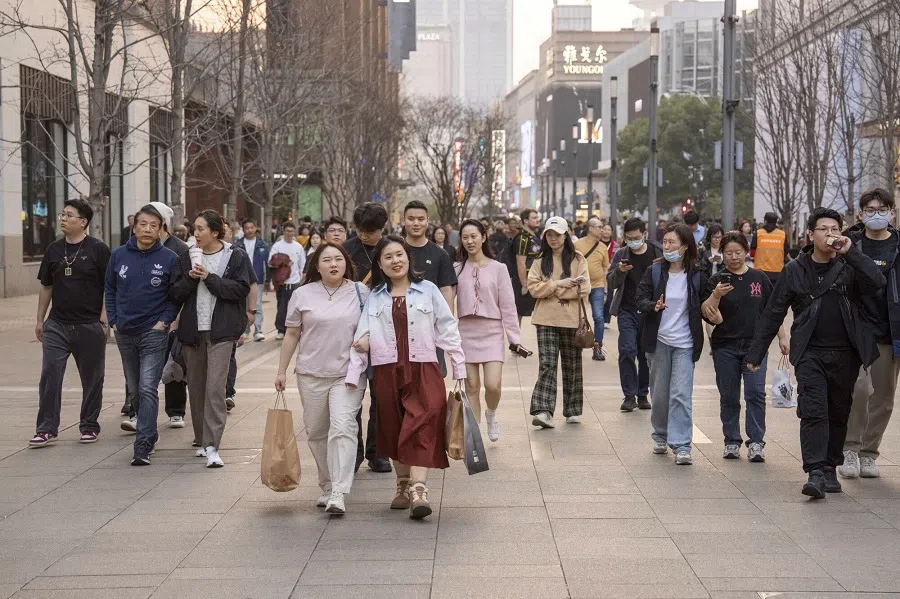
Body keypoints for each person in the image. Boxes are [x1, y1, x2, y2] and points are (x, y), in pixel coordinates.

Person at [747, 207, 885, 498]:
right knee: (813, 411)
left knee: (838, 411)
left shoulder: (850, 265)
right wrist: (755, 354)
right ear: (811, 234)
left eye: (835, 229)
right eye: (824, 229)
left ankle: (830, 466)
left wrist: (853, 254)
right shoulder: (794, 270)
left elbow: (877, 281)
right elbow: (773, 312)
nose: (830, 234)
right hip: (810, 352)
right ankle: (815, 472)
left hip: (847, 353)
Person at [347, 236, 466, 520]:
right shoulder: (375, 296)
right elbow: (361, 334)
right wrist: (355, 370)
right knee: (394, 426)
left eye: (399, 255)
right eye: (388, 257)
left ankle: (419, 489)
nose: (395, 261)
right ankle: (401, 485)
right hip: (388, 370)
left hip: (423, 368)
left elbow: (447, 325)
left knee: (423, 423)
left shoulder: (428, 290)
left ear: (408, 258)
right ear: (380, 264)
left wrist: (458, 365)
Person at [274, 243, 367, 514]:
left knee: (343, 427)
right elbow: (292, 334)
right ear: (317, 265)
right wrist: (281, 370)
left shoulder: (360, 291)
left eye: (339, 259)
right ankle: (326, 485)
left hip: (348, 374)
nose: (333, 264)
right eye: (327, 260)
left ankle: (339, 490)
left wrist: (369, 339)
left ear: (346, 263)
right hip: (310, 373)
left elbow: (374, 323)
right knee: (316, 432)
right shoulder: (302, 294)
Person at [170, 210, 253, 468]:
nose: (195, 233)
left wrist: (210, 277)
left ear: (215, 232)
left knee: (215, 388)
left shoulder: (235, 256)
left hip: (222, 331)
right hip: (193, 332)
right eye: (194, 228)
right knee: (196, 387)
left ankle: (212, 445)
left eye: (201, 228)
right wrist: (190, 279)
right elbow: (174, 293)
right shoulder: (186, 257)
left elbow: (241, 288)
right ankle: (201, 439)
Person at [30, 199, 111, 447]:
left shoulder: (98, 249)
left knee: (92, 378)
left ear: (83, 222)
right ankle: (46, 428)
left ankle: (88, 425)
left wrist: (104, 320)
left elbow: (109, 287)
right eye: (62, 214)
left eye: (69, 215)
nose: (63, 218)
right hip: (57, 325)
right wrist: (40, 320)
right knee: (50, 374)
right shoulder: (53, 250)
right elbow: (46, 286)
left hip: (89, 325)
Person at [701, 232, 789, 462]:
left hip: (755, 346)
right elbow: (706, 312)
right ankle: (731, 441)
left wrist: (782, 337)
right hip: (725, 345)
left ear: (746, 251)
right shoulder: (717, 280)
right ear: (723, 254)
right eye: (728, 253)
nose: (733, 257)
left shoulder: (759, 278)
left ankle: (756, 442)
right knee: (729, 396)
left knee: (755, 393)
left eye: (738, 252)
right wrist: (716, 295)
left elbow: (772, 311)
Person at [105, 204, 179, 465]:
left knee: (148, 387)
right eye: (143, 224)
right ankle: (150, 430)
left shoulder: (170, 258)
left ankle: (143, 444)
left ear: (161, 230)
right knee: (135, 390)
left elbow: (175, 296)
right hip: (125, 332)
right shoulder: (118, 255)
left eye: (153, 225)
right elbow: (110, 289)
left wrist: (164, 321)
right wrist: (113, 320)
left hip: (154, 334)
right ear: (134, 227)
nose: (148, 229)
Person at [840, 188, 900, 479]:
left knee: (884, 398)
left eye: (882, 208)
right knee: (860, 391)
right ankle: (850, 449)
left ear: (892, 212)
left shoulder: (899, 246)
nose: (877, 214)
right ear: (861, 214)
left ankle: (869, 453)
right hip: (856, 329)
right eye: (870, 209)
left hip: (890, 331)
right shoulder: (850, 244)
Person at [635, 223, 705, 465]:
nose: (666, 247)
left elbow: (705, 305)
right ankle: (661, 435)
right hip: (659, 341)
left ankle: (682, 445)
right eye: (664, 242)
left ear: (684, 246)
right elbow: (639, 298)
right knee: (661, 395)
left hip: (685, 343)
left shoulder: (696, 273)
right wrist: (651, 305)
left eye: (672, 243)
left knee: (680, 394)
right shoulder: (654, 272)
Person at [454, 219, 521, 442]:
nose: (470, 241)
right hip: (465, 331)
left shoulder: (499, 269)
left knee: (493, 384)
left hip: (492, 331)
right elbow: (445, 303)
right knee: (472, 386)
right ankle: (475, 436)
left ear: (483, 237)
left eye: (474, 236)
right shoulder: (456, 269)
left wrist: (514, 338)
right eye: (465, 237)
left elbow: (508, 305)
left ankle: (491, 413)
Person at [528, 217, 590, 429]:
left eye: (558, 234)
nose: (553, 238)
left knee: (572, 364)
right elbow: (533, 288)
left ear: (566, 234)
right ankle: (543, 410)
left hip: (572, 319)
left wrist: (551, 289)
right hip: (545, 319)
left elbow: (583, 288)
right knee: (547, 363)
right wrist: (558, 284)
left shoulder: (578, 259)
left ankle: (573, 409)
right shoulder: (539, 260)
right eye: (550, 234)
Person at [343, 202, 391, 473]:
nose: (364, 236)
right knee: (351, 395)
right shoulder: (346, 250)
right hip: (351, 330)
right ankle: (354, 453)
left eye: (370, 232)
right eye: (359, 230)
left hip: (383, 328)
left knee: (382, 397)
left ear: (382, 228)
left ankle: (378, 452)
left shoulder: (391, 250)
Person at [607, 218, 663, 411]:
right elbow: (611, 282)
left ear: (644, 234)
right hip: (627, 310)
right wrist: (620, 272)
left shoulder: (657, 253)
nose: (633, 241)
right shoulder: (621, 254)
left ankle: (642, 394)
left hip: (648, 311)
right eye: (629, 238)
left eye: (637, 237)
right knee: (627, 350)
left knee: (645, 353)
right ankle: (629, 395)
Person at [403, 201, 458, 376]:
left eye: (420, 219)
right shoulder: (395, 250)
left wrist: (447, 326)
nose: (416, 223)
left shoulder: (440, 254)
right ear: (404, 221)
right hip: (399, 324)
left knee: (433, 378)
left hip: (430, 326)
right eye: (411, 219)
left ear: (428, 221)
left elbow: (446, 290)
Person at [575, 218, 610, 362]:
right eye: (599, 227)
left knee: (599, 317)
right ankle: (576, 346)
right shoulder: (577, 244)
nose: (602, 230)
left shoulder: (602, 247)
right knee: (577, 318)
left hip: (597, 286)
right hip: (581, 287)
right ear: (591, 228)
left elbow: (605, 269)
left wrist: (606, 289)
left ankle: (598, 347)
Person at [269, 222, 306, 340]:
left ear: (294, 231)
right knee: (282, 306)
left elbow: (302, 264)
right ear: (283, 231)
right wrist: (284, 262)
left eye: (291, 231)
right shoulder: (277, 246)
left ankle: (295, 330)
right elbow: (271, 262)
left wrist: (302, 279)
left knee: (296, 308)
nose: (289, 233)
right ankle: (281, 329)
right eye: (287, 231)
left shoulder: (298, 247)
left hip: (295, 282)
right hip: (282, 283)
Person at [234, 219, 269, 342]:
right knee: (243, 304)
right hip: (242, 279)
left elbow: (266, 264)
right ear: (243, 230)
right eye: (247, 228)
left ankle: (258, 330)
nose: (249, 230)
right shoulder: (238, 245)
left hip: (258, 279)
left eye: (252, 227)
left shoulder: (262, 245)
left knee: (257, 305)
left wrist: (267, 280)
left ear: (256, 228)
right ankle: (245, 329)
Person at [513, 209, 543, 326]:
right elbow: (520, 262)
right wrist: (524, 284)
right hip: (525, 281)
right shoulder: (522, 238)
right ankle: (515, 342)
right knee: (518, 313)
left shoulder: (534, 236)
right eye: (534, 218)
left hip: (536, 279)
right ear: (525, 220)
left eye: (537, 217)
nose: (537, 220)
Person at [752, 212, 787, 282]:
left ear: (765, 221)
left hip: (760, 270)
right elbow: (786, 251)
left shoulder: (758, 233)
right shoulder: (782, 234)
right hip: (777, 270)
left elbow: (752, 250)